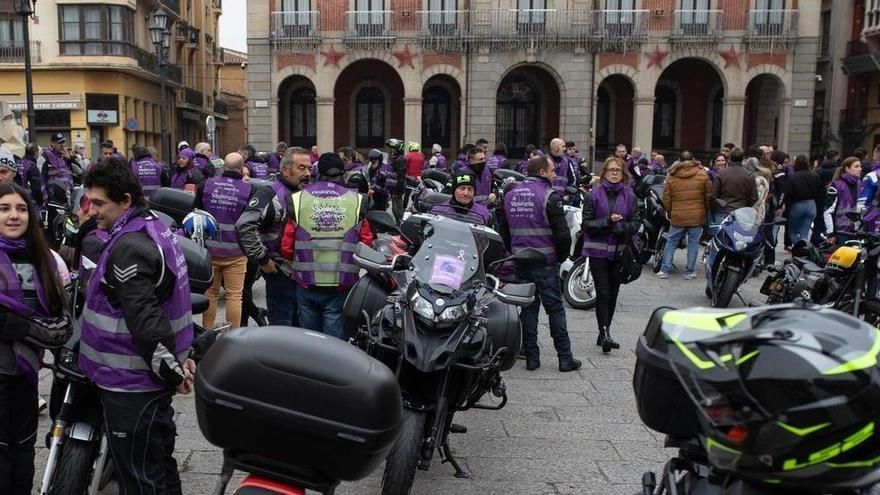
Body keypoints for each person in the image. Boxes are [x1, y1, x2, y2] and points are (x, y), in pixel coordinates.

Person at [79, 157, 195, 495]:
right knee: (158, 466)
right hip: (143, 382)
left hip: (130, 385)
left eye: (99, 203)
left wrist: (173, 372)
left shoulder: (129, 247)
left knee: (139, 478)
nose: (92, 210)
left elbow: (146, 322)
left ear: (125, 200)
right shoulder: (155, 227)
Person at [0, 183, 69, 494]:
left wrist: (20, 327)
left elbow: (63, 328)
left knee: (23, 457)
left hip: (26, 379)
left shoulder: (48, 261)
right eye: (4, 209)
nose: (14, 216)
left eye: (21, 208)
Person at [498, 156, 580, 372]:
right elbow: (562, 234)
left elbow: (504, 229)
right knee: (555, 309)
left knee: (528, 309)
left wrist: (515, 251)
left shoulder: (510, 194)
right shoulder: (550, 196)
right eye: (552, 170)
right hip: (546, 262)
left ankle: (532, 357)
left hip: (520, 260)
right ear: (542, 172)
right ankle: (565, 358)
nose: (554, 174)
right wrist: (561, 257)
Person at [288, 153, 372, 338]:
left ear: (318, 172)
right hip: (341, 286)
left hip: (306, 284)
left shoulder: (297, 199)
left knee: (311, 343)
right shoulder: (358, 201)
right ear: (343, 173)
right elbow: (366, 244)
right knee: (335, 346)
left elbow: (286, 247)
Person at [235, 146, 312, 326]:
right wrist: (263, 260)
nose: (308, 173)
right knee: (282, 335)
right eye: (302, 168)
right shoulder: (270, 194)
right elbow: (244, 226)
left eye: (309, 168)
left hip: (306, 280)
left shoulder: (308, 194)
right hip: (281, 278)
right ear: (285, 170)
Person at [581, 157, 641, 354]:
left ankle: (603, 332)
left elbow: (636, 223)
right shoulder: (593, 195)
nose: (614, 173)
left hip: (620, 251)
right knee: (603, 292)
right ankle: (605, 333)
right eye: (611, 170)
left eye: (618, 170)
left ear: (623, 174)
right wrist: (607, 222)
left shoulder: (630, 196)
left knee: (613, 293)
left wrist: (620, 228)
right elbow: (587, 224)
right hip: (597, 251)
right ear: (604, 172)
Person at [194, 153, 252, 329]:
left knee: (210, 293)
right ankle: (232, 337)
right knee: (234, 296)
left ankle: (207, 333)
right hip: (236, 251)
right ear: (242, 169)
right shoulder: (248, 189)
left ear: (223, 167)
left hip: (209, 251)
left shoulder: (206, 185)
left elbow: (195, 213)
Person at [658, 159, 712, 280]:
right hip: (696, 215)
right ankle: (689, 272)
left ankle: (664, 270)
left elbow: (666, 197)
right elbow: (708, 195)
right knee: (693, 243)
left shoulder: (672, 175)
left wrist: (670, 211)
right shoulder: (702, 173)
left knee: (671, 241)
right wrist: (706, 210)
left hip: (678, 215)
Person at [711, 148, 757, 226]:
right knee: (740, 237)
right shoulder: (749, 175)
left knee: (722, 237)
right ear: (742, 159)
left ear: (729, 159)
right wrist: (746, 206)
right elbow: (754, 197)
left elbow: (713, 195)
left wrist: (716, 207)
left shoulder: (721, 173)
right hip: (742, 210)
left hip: (723, 210)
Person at [784, 155, 824, 244]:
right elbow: (820, 192)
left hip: (797, 205)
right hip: (811, 204)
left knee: (793, 232)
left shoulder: (793, 177)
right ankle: (805, 249)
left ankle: (798, 249)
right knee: (804, 233)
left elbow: (788, 193)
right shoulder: (815, 176)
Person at [830, 156, 863, 244]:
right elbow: (829, 210)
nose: (860, 169)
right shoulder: (837, 185)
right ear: (847, 168)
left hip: (856, 229)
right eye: (856, 166)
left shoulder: (861, 184)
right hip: (841, 230)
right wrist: (831, 232)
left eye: (860, 166)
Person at [38, 132, 77, 205]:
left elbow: (78, 170)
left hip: (69, 197)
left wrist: (70, 159)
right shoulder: (45, 156)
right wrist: (46, 198)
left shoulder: (65, 155)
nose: (62, 145)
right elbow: (40, 180)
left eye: (63, 142)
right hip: (54, 199)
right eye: (59, 143)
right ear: (52, 143)